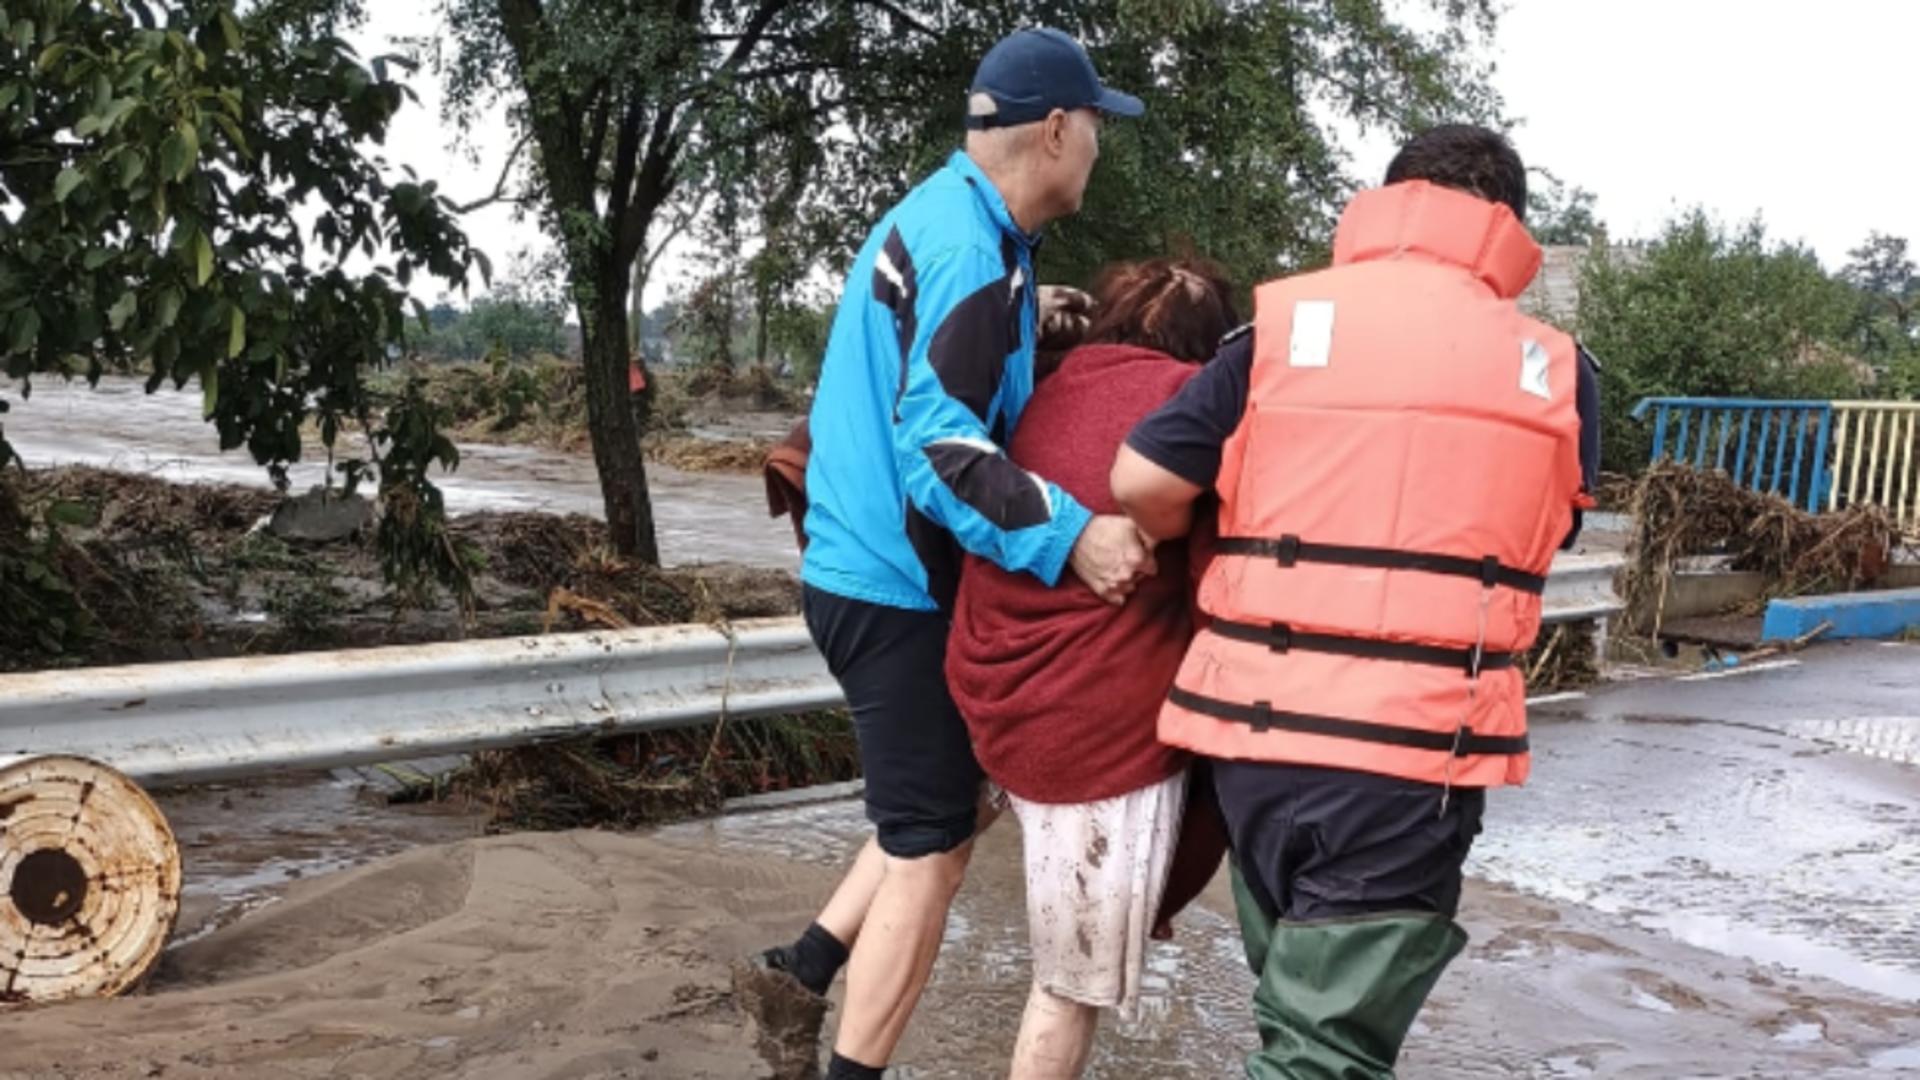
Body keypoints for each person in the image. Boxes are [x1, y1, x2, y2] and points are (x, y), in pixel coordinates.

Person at [1110, 124, 1601, 1078]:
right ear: (1508, 226)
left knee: (1294, 1019)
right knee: (1320, 1054)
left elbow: (1140, 481)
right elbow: (1553, 531)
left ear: (1390, 201)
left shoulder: (1280, 329)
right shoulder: (1560, 370)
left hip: (1254, 745)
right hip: (1414, 756)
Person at [735, 28, 1150, 1080]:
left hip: (857, 566)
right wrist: (1075, 537)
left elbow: (941, 361)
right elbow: (939, 450)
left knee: (936, 804)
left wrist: (1032, 324)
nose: (1100, 146)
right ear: (1055, 130)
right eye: (1096, 125)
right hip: (895, 589)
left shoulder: (964, 223)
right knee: (931, 850)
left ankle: (803, 967)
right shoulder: (973, 252)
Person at [944, 258, 1236, 1079]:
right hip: (1096, 733)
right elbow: (1222, 590)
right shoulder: (1195, 415)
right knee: (1066, 989)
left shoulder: (1040, 389)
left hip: (988, 697)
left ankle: (814, 968)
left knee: (916, 864)